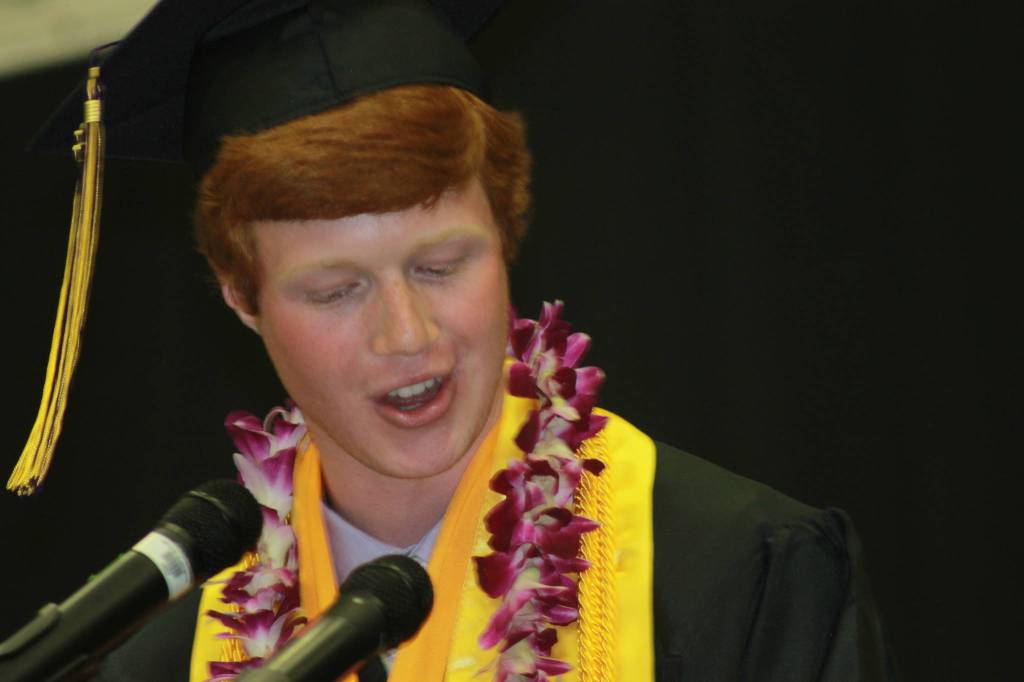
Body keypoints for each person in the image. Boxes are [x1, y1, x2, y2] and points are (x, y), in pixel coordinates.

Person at [26, 0, 894, 680]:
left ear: (509, 235)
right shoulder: (170, 656)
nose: (407, 334)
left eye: (442, 265)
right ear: (241, 299)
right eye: (335, 291)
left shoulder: (737, 577)